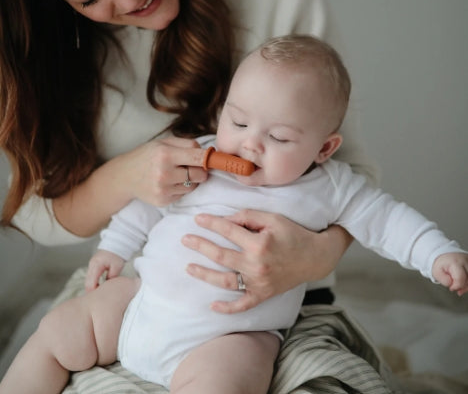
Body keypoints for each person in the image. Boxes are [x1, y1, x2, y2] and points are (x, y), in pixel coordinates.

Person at [1, 35, 467, 394]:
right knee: (58, 330)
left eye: (279, 137)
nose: (249, 143)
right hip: (142, 302)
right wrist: (113, 248)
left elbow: (389, 222)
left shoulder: (332, 187)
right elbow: (146, 201)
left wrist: (438, 255)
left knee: (227, 383)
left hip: (231, 334)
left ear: (323, 148)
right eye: (239, 121)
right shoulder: (199, 156)